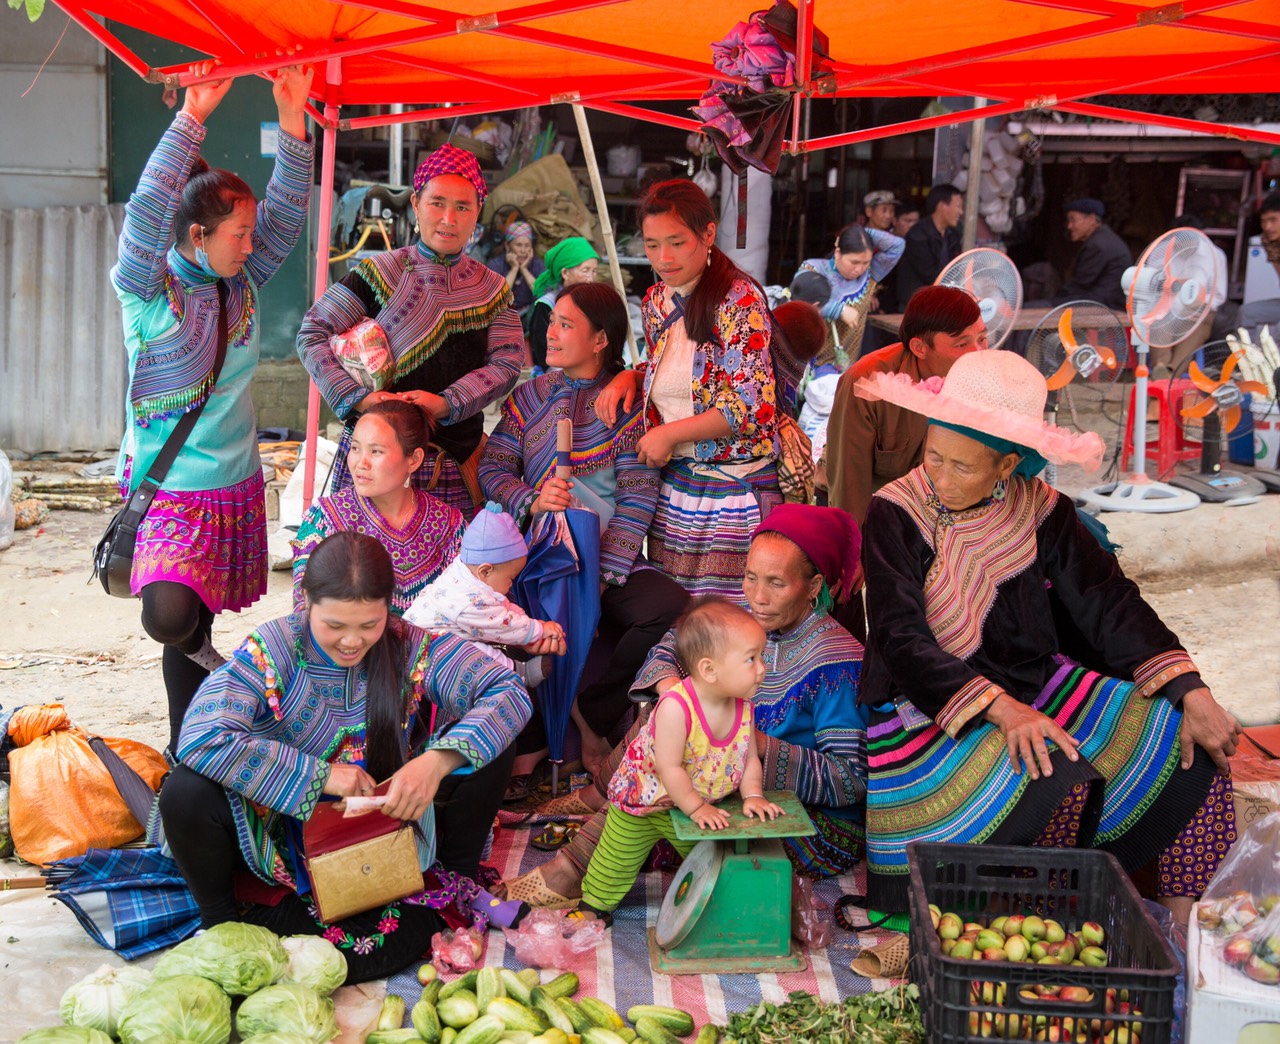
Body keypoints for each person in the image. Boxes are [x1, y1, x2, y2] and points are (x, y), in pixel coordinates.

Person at [854, 350, 1241, 919]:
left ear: (1007, 466)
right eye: (932, 455)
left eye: (962, 467)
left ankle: (1186, 926)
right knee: (1050, 769)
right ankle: (1057, 920)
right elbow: (901, 638)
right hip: (932, 704)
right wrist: (1003, 711)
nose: (937, 477)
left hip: (1037, 684)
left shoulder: (1044, 509)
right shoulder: (894, 511)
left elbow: (1108, 602)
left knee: (1190, 739)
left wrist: (1191, 688)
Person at [158, 532, 534, 980]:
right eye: (334, 625)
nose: (352, 642)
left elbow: (507, 692)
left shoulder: (409, 645)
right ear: (306, 602)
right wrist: (319, 776)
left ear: (389, 609)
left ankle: (454, 880)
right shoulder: (273, 649)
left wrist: (436, 762)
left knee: (487, 738)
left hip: (382, 820)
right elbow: (201, 736)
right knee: (185, 790)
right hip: (281, 832)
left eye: (369, 624)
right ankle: (222, 924)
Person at [499, 503, 867, 907]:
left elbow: (850, 781)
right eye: (750, 578)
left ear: (813, 586)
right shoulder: (747, 619)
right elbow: (673, 645)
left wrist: (750, 742)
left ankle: (577, 861)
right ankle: (599, 805)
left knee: (652, 795)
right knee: (671, 715)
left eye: (776, 584)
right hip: (728, 783)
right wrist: (676, 691)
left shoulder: (839, 662)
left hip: (805, 824)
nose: (758, 597)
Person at [112, 62, 314, 754]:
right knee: (172, 616)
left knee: (190, 622)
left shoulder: (243, 284)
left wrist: (293, 122)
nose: (254, 245)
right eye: (239, 234)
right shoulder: (149, 291)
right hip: (167, 491)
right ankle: (219, 690)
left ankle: (191, 746)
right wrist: (190, 114)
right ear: (200, 234)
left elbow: (286, 217)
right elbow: (144, 215)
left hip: (231, 488)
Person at [479, 281, 690, 781]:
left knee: (668, 607)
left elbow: (638, 498)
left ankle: (596, 715)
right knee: (503, 619)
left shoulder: (628, 408)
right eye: (551, 322)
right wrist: (531, 499)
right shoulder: (529, 396)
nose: (550, 333)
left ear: (600, 340)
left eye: (565, 325)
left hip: (606, 560)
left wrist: (600, 578)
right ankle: (530, 745)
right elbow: (494, 467)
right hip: (533, 558)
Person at [297, 143, 524, 521]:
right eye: (437, 203)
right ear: (416, 204)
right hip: (376, 460)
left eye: (463, 207)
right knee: (363, 571)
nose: (449, 218)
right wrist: (359, 399)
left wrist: (447, 402)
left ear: (478, 212)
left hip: (454, 461)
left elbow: (507, 362)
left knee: (451, 576)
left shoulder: (493, 290)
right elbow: (313, 332)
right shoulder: (379, 272)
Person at [596, 179, 782, 601]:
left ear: (708, 234)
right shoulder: (658, 301)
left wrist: (669, 434)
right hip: (676, 492)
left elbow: (753, 406)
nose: (664, 258)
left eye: (677, 243)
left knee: (729, 628)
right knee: (677, 624)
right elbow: (679, 371)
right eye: (652, 244)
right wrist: (635, 375)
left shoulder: (739, 300)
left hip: (733, 495)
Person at [571, 597, 783, 925]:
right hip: (646, 800)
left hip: (693, 803)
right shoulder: (676, 707)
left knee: (709, 860)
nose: (762, 669)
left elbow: (748, 757)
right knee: (614, 857)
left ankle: (713, 909)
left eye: (762, 657)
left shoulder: (742, 707)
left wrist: (753, 794)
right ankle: (594, 906)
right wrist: (698, 808)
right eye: (751, 659)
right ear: (709, 670)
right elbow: (670, 768)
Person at [826, 285, 986, 525]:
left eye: (982, 339)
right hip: (880, 513)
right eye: (962, 345)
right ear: (919, 348)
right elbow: (849, 484)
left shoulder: (988, 380)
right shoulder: (867, 383)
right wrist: (855, 553)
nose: (978, 353)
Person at [291, 400, 463, 617]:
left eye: (376, 451)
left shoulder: (448, 526)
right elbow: (305, 611)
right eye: (355, 448)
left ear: (414, 459)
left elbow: (469, 605)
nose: (360, 463)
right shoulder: (325, 521)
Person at [405, 502, 565, 688]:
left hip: (440, 642)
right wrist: (538, 630)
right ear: (486, 571)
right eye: (510, 578)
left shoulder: (466, 573)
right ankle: (520, 674)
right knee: (475, 656)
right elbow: (500, 624)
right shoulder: (467, 601)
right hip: (423, 657)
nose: (511, 584)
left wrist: (525, 622)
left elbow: (498, 605)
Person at [798, 222, 905, 365]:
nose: (859, 269)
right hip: (804, 362)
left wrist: (859, 233)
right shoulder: (813, 268)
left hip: (841, 366)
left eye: (865, 262)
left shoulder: (870, 274)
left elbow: (897, 245)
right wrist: (839, 310)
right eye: (854, 262)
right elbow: (800, 300)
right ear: (838, 253)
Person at [526, 237, 601, 372]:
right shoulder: (547, 305)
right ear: (565, 273)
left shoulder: (593, 304)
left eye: (594, 271)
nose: (591, 278)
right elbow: (544, 353)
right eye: (585, 270)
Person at [1053, 198, 1131, 310]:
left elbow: (1079, 285)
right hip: (1100, 301)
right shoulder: (1103, 238)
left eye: (1073, 220)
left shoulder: (1098, 245)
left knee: (1034, 307)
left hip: (1103, 307)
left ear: (1091, 219)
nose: (1069, 226)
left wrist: (1053, 301)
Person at [896, 183, 964, 304]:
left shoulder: (954, 234)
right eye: (958, 206)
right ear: (942, 206)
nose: (961, 212)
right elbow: (930, 275)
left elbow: (958, 267)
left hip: (942, 300)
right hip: (916, 303)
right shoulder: (917, 235)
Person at [1237, 192, 1280, 334]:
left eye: (1273, 220)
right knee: (1246, 312)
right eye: (1263, 221)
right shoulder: (1268, 240)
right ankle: (1246, 355)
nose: (1268, 227)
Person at [486, 219, 545, 316]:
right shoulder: (496, 264)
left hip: (528, 318)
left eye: (527, 245)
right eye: (518, 245)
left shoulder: (538, 265)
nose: (523, 250)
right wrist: (514, 269)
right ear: (507, 246)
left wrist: (524, 270)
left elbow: (542, 295)